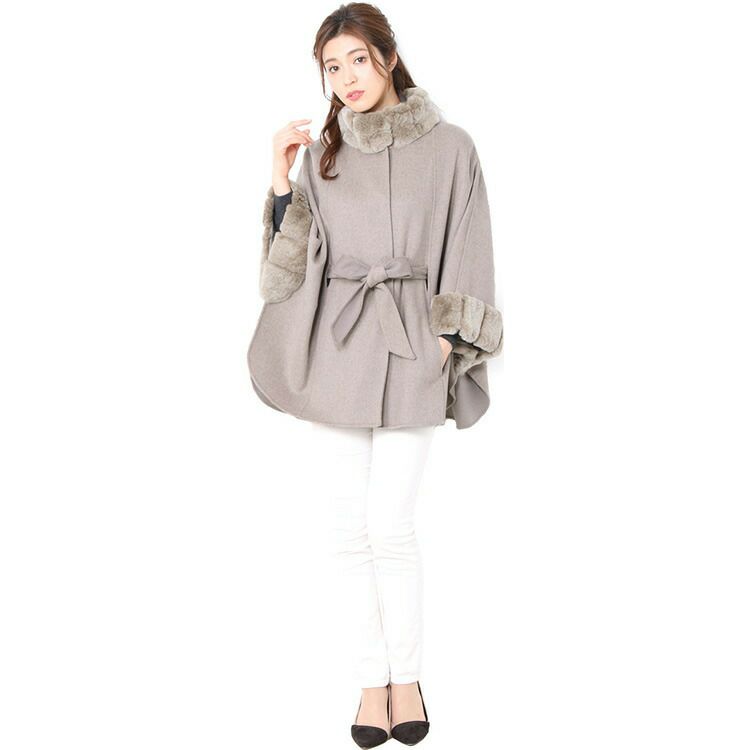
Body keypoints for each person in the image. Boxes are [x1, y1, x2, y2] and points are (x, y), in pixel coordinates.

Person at [246, 4, 503, 747]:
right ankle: (370, 683)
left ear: (388, 57)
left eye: (357, 59)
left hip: (414, 343)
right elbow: (291, 266)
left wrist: (449, 341)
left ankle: (408, 678)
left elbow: (470, 240)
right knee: (345, 531)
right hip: (340, 346)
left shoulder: (452, 147)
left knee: (392, 526)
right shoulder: (325, 157)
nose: (346, 77)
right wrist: (280, 178)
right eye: (332, 67)